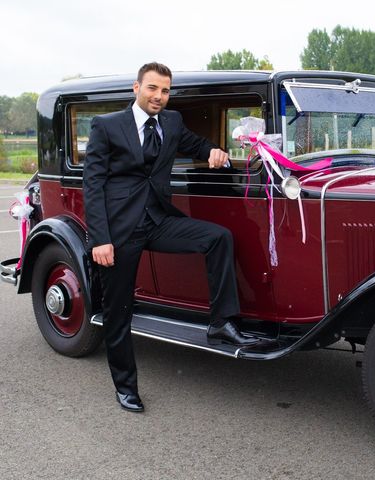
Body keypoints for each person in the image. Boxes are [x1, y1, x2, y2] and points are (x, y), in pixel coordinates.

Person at [83, 62, 258, 413]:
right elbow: (93, 185)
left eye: (165, 90)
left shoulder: (172, 122)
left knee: (218, 237)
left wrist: (213, 151)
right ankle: (125, 387)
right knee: (119, 312)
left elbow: (195, 144)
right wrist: (100, 239)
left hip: (159, 220)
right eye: (152, 89)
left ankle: (221, 323)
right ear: (136, 88)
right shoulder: (107, 126)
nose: (159, 96)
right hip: (118, 232)